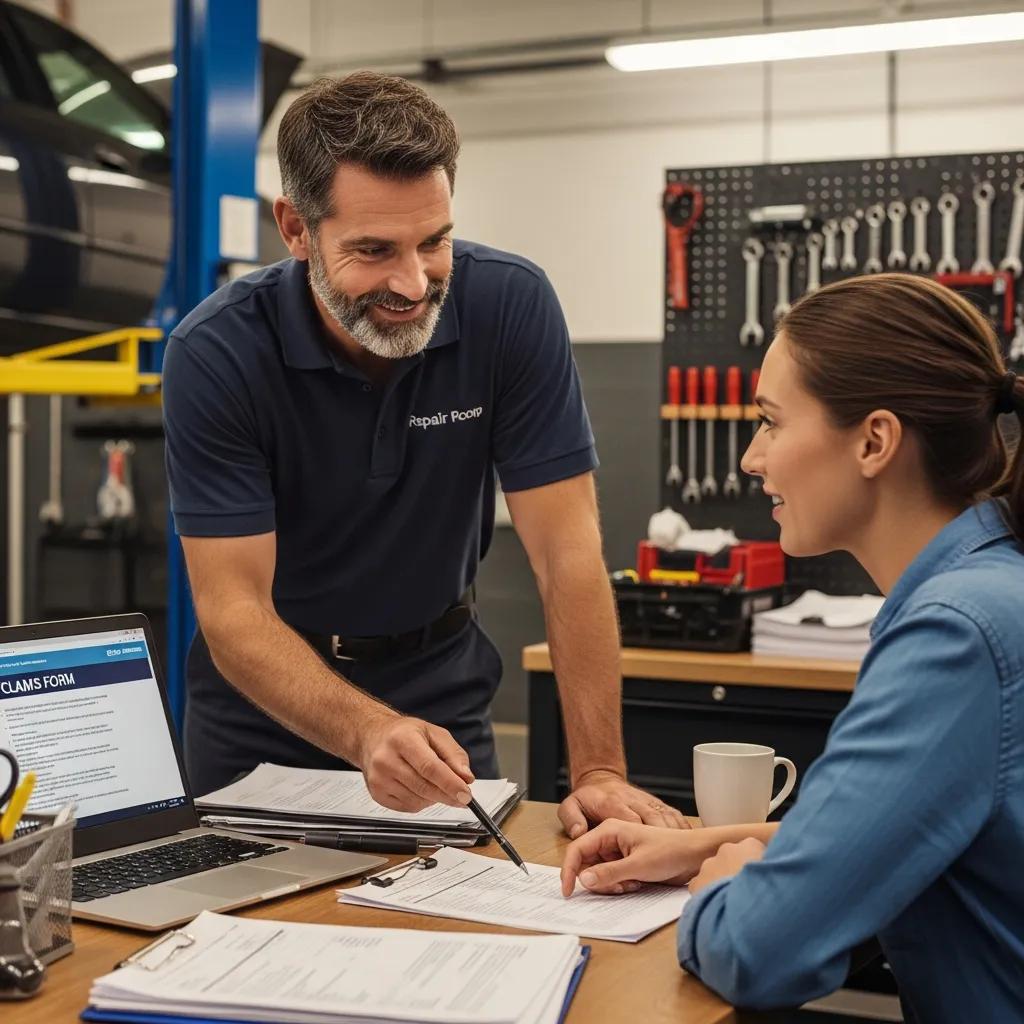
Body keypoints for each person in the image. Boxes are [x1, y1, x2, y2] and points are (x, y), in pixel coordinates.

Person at [162, 71, 684, 834]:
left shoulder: (509, 305)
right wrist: (367, 731)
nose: (412, 283)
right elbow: (232, 610)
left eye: (433, 241)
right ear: (297, 229)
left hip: (441, 703)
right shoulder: (216, 353)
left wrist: (600, 770)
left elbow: (567, 553)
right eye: (373, 250)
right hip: (260, 722)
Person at [560, 273, 1024, 1020]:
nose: (751, 457)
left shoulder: (956, 637)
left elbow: (758, 949)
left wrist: (722, 885)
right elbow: (899, 828)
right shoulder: (993, 589)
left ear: (875, 441)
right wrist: (708, 841)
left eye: (773, 422)